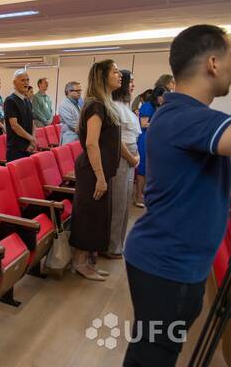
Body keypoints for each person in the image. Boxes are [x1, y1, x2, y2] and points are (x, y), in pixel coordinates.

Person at [123, 24, 231, 367]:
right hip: (167, 265)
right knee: (152, 356)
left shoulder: (181, 114)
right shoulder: (186, 117)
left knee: (152, 351)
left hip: (167, 259)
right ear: (213, 62)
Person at [69, 59, 122, 282]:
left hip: (99, 170)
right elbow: (91, 143)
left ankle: (89, 261)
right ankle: (80, 262)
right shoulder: (95, 105)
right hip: (92, 171)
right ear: (102, 77)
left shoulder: (104, 104)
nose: (120, 75)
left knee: (98, 216)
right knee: (88, 216)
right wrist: (100, 177)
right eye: (115, 71)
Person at [106, 70, 141, 258]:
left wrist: (137, 155)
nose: (133, 86)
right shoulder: (113, 106)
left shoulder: (126, 107)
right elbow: (116, 140)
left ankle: (119, 244)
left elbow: (133, 136)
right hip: (121, 158)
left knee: (125, 203)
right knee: (118, 204)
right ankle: (112, 246)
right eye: (131, 82)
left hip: (130, 158)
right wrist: (132, 157)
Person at [134, 85, 166, 208]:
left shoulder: (158, 106)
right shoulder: (147, 106)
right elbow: (143, 124)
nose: (164, 99)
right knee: (142, 169)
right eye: (163, 97)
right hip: (145, 139)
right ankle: (138, 196)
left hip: (153, 140)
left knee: (149, 169)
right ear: (158, 96)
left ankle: (144, 195)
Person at [4, 69, 36, 161]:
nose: (26, 83)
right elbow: (15, 126)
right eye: (23, 80)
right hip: (16, 149)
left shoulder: (27, 100)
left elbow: (33, 123)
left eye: (27, 80)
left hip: (28, 147)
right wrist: (31, 139)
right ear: (14, 83)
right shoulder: (10, 100)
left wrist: (32, 142)